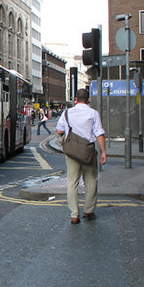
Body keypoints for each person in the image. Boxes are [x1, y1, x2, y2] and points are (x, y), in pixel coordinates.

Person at [55, 88, 107, 225]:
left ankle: (74, 215)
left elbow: (59, 130)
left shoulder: (66, 113)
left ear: (75, 100)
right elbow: (99, 133)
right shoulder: (93, 114)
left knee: (72, 182)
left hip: (72, 152)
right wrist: (103, 152)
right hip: (88, 152)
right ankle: (89, 211)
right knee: (91, 181)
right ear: (88, 99)